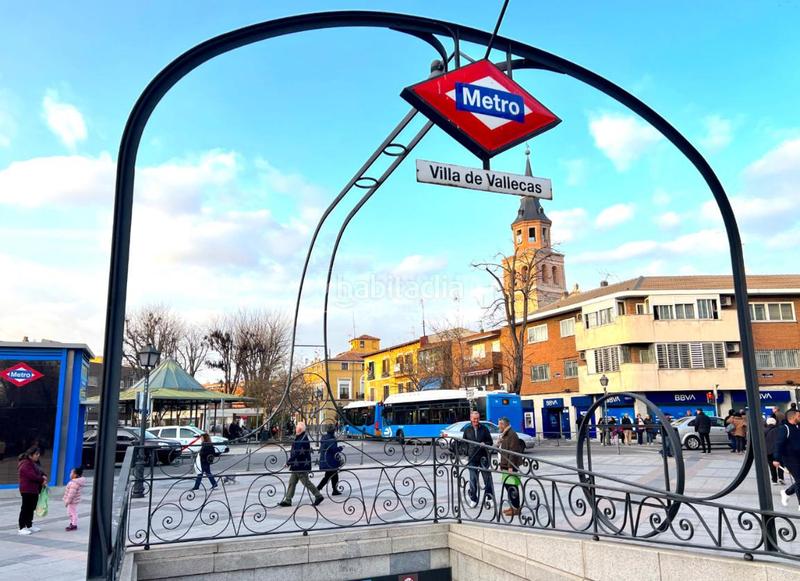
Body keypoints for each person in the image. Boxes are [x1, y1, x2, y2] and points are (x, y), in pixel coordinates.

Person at [279, 422, 324, 507]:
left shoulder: (303, 439)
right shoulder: (300, 437)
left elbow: (298, 453)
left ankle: (318, 496)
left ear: (299, 429)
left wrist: (289, 462)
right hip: (297, 465)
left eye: (296, 427)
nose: (295, 429)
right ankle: (288, 500)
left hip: (300, 465)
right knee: (292, 482)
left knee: (306, 482)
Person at [462, 411, 495, 507]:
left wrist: (485, 444)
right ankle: (473, 499)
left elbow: (490, 442)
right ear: (471, 418)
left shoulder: (484, 429)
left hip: (483, 457)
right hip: (472, 458)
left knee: (487, 479)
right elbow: (464, 443)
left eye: (477, 418)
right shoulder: (467, 430)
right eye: (474, 419)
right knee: (473, 479)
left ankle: (489, 497)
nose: (476, 420)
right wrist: (465, 454)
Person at [497, 417, 524, 517]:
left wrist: (510, 467)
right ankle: (513, 506)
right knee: (508, 486)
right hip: (505, 464)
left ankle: (516, 508)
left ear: (504, 425)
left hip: (510, 465)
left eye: (499, 424)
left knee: (512, 487)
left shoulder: (512, 434)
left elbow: (513, 452)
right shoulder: (505, 434)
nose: (498, 426)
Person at [18, 446, 46, 535]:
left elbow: (40, 472)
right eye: (36, 454)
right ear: (30, 455)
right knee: (25, 508)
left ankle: (29, 525)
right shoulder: (25, 464)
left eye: (38, 454)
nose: (38, 456)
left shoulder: (34, 463)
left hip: (34, 490)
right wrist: (42, 480)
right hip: (27, 490)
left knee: (31, 508)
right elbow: (32, 476)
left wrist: (44, 476)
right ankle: (21, 527)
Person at [774, 410, 800, 507]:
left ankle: (786, 493)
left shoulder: (797, 427)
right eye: (799, 416)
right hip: (790, 458)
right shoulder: (784, 428)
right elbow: (779, 443)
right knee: (799, 480)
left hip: (798, 456)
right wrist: (776, 459)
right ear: (792, 417)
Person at [317, 424, 342, 496]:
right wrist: (340, 448)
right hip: (330, 461)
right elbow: (333, 450)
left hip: (324, 460)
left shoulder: (324, 437)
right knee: (330, 476)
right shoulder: (331, 439)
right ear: (333, 431)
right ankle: (318, 488)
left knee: (332, 475)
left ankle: (334, 490)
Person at [62, 467, 86, 531]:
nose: (70, 474)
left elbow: (71, 494)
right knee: (71, 512)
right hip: (73, 501)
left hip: (72, 501)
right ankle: (72, 523)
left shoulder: (74, 483)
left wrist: (67, 502)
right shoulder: (74, 482)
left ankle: (74, 524)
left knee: (72, 513)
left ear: (75, 475)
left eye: (71, 472)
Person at [765, 417, 785, 485]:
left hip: (768, 451)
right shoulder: (779, 429)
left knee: (771, 466)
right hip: (779, 450)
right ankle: (781, 478)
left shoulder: (764, 430)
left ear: (767, 423)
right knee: (781, 464)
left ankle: (774, 480)